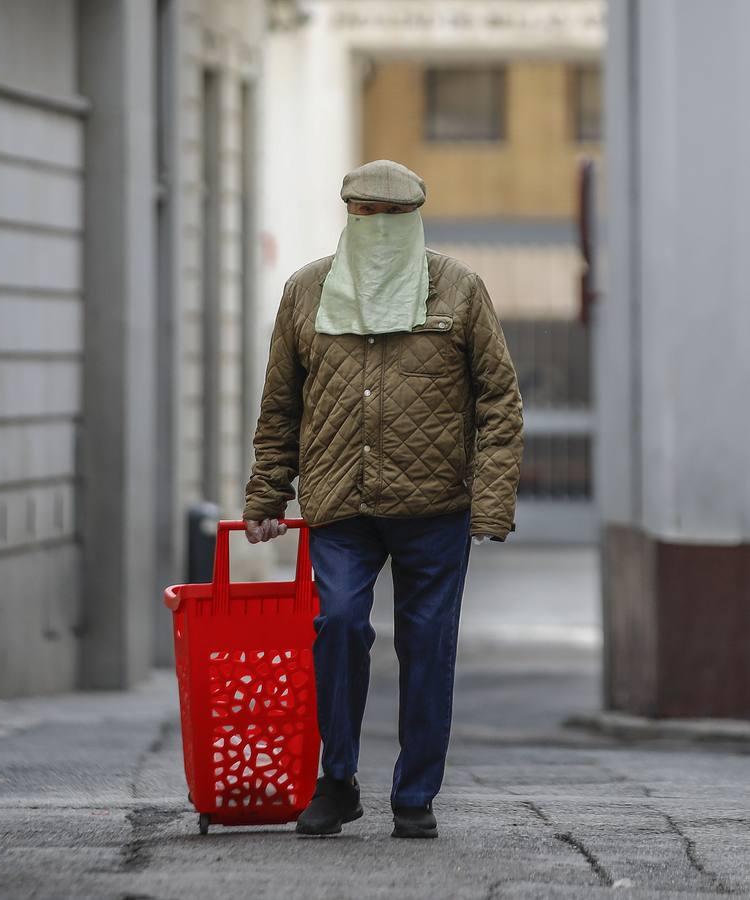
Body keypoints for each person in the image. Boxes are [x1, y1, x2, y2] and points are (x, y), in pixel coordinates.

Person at [243, 159, 524, 839]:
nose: (376, 227)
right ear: (348, 216)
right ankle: (336, 781)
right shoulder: (307, 292)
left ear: (413, 218)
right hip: (342, 502)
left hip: (434, 507)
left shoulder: (457, 290)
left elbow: (500, 399)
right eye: (363, 215)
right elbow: (281, 404)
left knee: (427, 646)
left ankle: (415, 795)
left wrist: (490, 502)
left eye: (390, 217)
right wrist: (267, 495)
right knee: (337, 625)